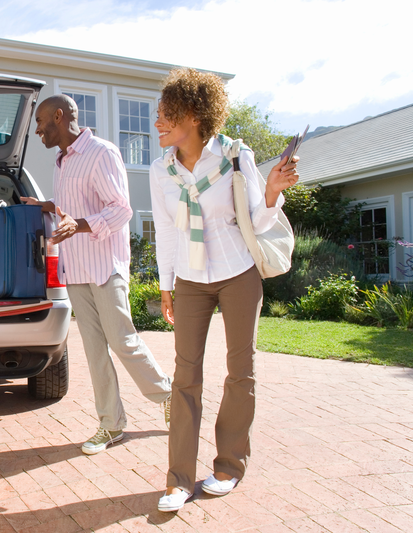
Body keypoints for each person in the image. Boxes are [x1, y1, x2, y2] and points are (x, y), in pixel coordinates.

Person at [150, 68, 299, 512]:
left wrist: (272, 191)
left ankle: (229, 466)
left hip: (238, 272)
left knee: (240, 371)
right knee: (185, 376)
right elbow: (165, 231)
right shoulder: (162, 172)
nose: (156, 123)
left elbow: (255, 219)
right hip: (192, 279)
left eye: (165, 115)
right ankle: (178, 478)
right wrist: (166, 284)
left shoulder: (235, 156)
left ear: (193, 116)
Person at [23, 94, 172, 455]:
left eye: (42, 121)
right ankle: (111, 424)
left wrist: (81, 225)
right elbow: (74, 210)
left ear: (60, 116)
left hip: (105, 266)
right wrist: (50, 208)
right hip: (76, 269)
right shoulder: (61, 162)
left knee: (122, 340)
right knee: (93, 349)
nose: (38, 129)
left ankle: (170, 395)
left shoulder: (101, 152)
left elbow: (121, 210)